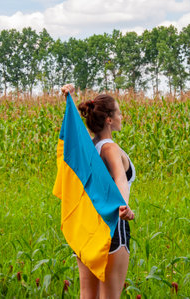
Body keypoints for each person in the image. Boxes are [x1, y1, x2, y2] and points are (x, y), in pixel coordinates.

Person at [61, 84, 135, 299]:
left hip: (87, 228)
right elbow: (120, 177)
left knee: (88, 295)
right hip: (112, 225)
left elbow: (73, 130)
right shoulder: (110, 148)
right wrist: (123, 205)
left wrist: (69, 99)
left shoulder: (87, 148)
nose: (122, 116)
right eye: (119, 112)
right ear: (109, 119)